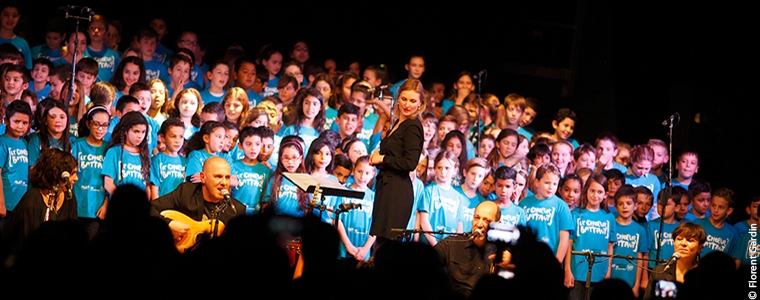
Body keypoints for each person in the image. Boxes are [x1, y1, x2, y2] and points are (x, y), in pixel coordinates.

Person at [369, 79, 425, 245]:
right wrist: (379, 157)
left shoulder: (413, 126)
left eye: (413, 101)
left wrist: (383, 158)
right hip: (387, 187)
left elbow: (410, 163)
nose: (407, 104)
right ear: (398, 98)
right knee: (381, 243)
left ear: (420, 103)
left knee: (387, 246)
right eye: (404, 99)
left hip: (397, 191)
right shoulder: (400, 122)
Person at [150, 156, 246, 248]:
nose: (224, 182)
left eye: (227, 177)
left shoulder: (236, 210)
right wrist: (169, 224)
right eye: (218, 177)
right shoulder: (186, 192)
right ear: (203, 177)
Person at [1, 148, 78, 257]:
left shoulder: (69, 198)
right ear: (56, 175)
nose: (76, 178)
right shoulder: (32, 198)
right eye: (73, 174)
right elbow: (26, 241)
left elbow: (72, 236)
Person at [434, 201, 510, 298]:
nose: (479, 224)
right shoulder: (452, 244)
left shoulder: (502, 254)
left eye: (486, 221)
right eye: (477, 218)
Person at [565, 174, 617, 300]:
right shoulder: (575, 214)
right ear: (586, 191)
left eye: (600, 192)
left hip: (600, 273)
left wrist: (608, 274)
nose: (595, 195)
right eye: (592, 191)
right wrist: (567, 270)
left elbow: (610, 247)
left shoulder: (609, 217)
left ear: (605, 194)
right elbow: (569, 244)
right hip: (577, 272)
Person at [71, 106, 110, 236]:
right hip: (76, 205)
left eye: (104, 125)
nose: (100, 129)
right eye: (96, 124)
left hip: (97, 208)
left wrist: (105, 205)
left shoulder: (109, 150)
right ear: (88, 124)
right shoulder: (77, 145)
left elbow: (110, 181)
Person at [643, 222, 706, 300]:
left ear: (700, 247)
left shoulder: (705, 276)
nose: (683, 243)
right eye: (679, 239)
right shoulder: (659, 272)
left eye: (690, 240)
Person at [610, 185, 648, 297]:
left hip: (630, 281)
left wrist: (636, 285)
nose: (624, 207)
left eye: (628, 203)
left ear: (635, 206)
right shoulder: (611, 226)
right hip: (611, 278)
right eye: (621, 204)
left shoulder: (640, 230)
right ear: (616, 207)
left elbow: (640, 258)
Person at [0, 100, 32, 219]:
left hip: (20, 205)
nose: (20, 126)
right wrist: (1, 203)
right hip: (5, 204)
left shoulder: (25, 142)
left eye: (25, 123)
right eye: (16, 121)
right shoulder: (2, 143)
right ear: (6, 121)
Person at [149, 118, 187, 199]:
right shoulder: (157, 160)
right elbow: (154, 190)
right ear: (163, 137)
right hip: (163, 207)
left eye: (181, 137)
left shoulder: (185, 161)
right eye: (173, 136)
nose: (178, 141)